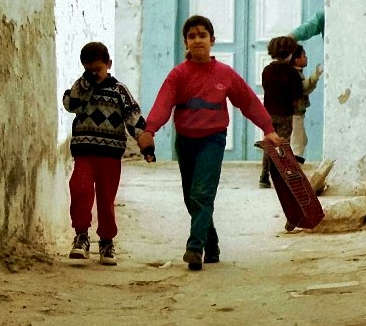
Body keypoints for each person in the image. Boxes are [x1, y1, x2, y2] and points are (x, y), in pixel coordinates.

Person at [137, 15, 282, 271]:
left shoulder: (225, 74)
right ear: (185, 43)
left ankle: (194, 247)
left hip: (212, 141)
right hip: (185, 142)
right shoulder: (178, 75)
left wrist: (268, 129)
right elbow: (163, 103)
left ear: (212, 41)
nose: (197, 40)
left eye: (202, 35)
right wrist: (150, 130)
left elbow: (248, 101)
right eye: (191, 36)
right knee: (190, 198)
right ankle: (211, 242)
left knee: (202, 194)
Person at [62, 42, 148, 266]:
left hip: (110, 154)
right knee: (79, 188)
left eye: (98, 70)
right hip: (84, 151)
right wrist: (84, 84)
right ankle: (81, 236)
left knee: (106, 197)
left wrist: (144, 142)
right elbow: (69, 104)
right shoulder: (81, 88)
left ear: (109, 64)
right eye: (89, 70)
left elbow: (133, 116)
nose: (94, 74)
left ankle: (107, 241)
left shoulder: (119, 90)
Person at [259, 36, 304, 188]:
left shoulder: (267, 70)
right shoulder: (292, 73)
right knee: (284, 145)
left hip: (269, 113)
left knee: (269, 144)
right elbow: (298, 93)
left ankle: (264, 176)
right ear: (290, 53)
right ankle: (285, 175)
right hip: (285, 114)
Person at [289, 44, 323, 158]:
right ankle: (295, 169)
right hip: (295, 114)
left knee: (301, 140)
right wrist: (315, 75)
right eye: (304, 56)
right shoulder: (293, 74)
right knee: (298, 144)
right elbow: (303, 88)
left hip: (297, 114)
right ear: (297, 59)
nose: (306, 58)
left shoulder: (296, 73)